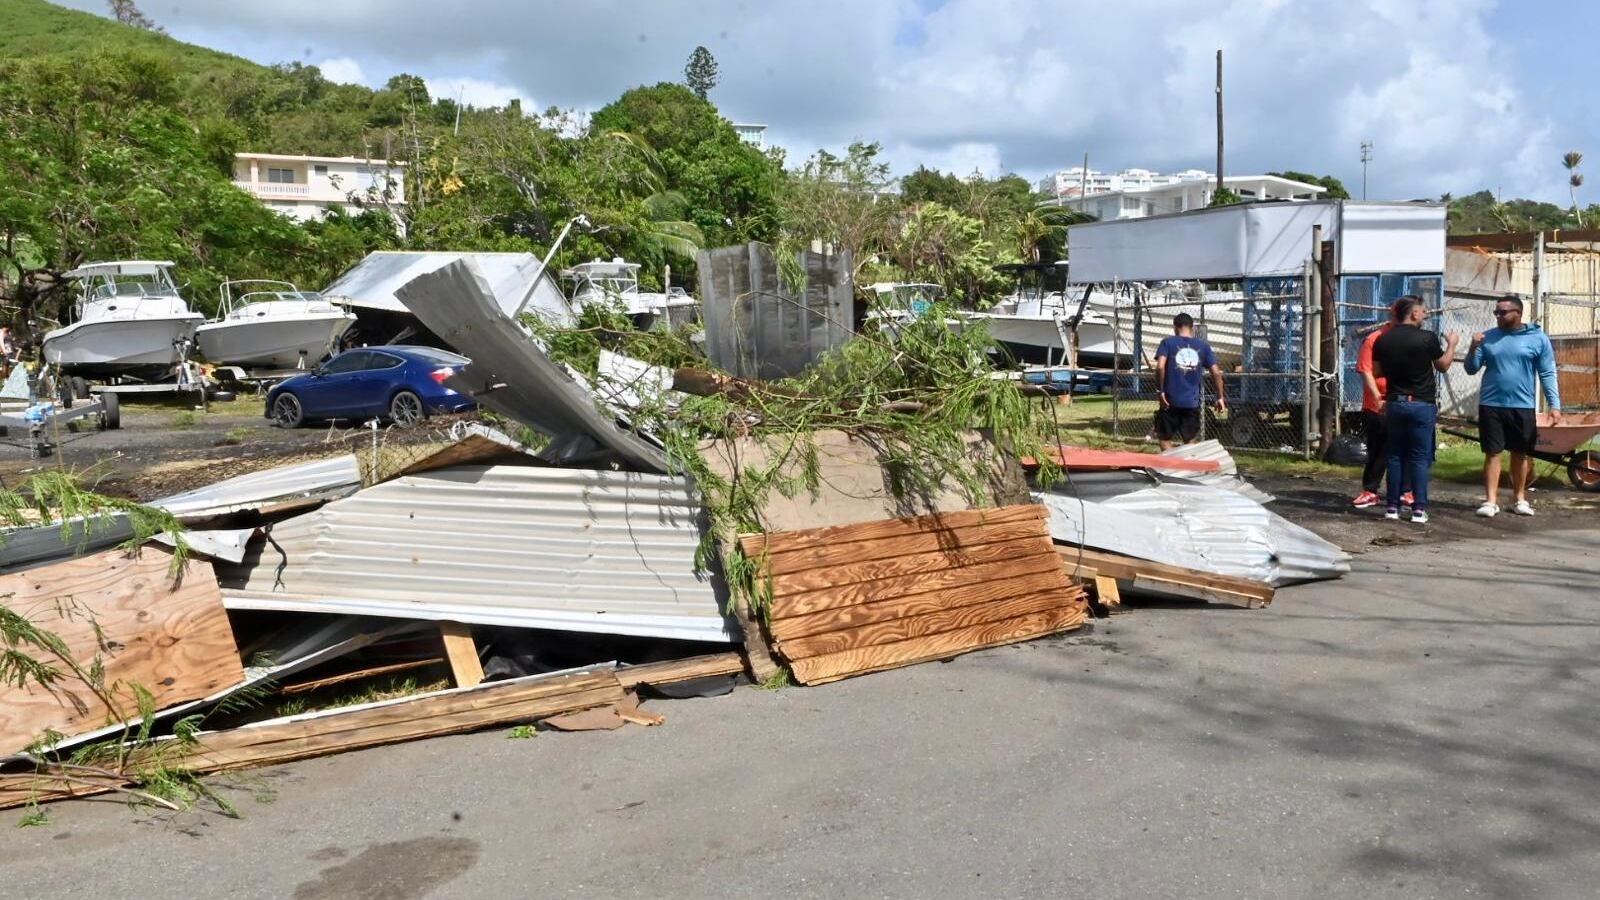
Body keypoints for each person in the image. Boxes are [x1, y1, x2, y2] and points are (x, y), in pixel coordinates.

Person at [1464, 296, 1561, 517]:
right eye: (1496, 312)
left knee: (1520, 453)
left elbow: (1547, 373)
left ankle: (1519, 499)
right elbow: (1471, 368)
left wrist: (1554, 405)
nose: (1498, 316)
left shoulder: (1537, 338)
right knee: (1492, 452)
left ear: (1518, 313)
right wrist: (1472, 347)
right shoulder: (1487, 338)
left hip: (1522, 405)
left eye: (1503, 312)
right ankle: (1490, 500)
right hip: (1491, 404)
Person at [1372, 295, 1459, 524]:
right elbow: (1442, 366)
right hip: (1421, 404)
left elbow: (1378, 372)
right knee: (1419, 458)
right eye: (1423, 311)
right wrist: (1451, 345)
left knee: (1395, 456)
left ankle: (1392, 507)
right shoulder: (1427, 338)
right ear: (1413, 314)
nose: (1426, 314)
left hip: (1395, 403)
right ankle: (1418, 509)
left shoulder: (1383, 340)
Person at [1351, 301, 1414, 509]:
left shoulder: (1414, 339)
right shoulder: (1375, 338)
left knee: (1405, 448)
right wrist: (1378, 397)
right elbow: (1366, 370)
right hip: (1379, 404)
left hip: (1407, 402)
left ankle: (1405, 491)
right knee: (1378, 449)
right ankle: (1370, 490)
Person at [1154, 312, 1226, 449]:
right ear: (1192, 328)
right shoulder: (1203, 346)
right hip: (1191, 402)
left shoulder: (1167, 343)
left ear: (1175, 327)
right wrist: (1220, 397)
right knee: (1190, 440)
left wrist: (1161, 391)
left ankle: (1172, 464)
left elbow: (1160, 367)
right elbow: (1216, 372)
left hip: (1170, 400)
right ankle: (1188, 464)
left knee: (1164, 437)